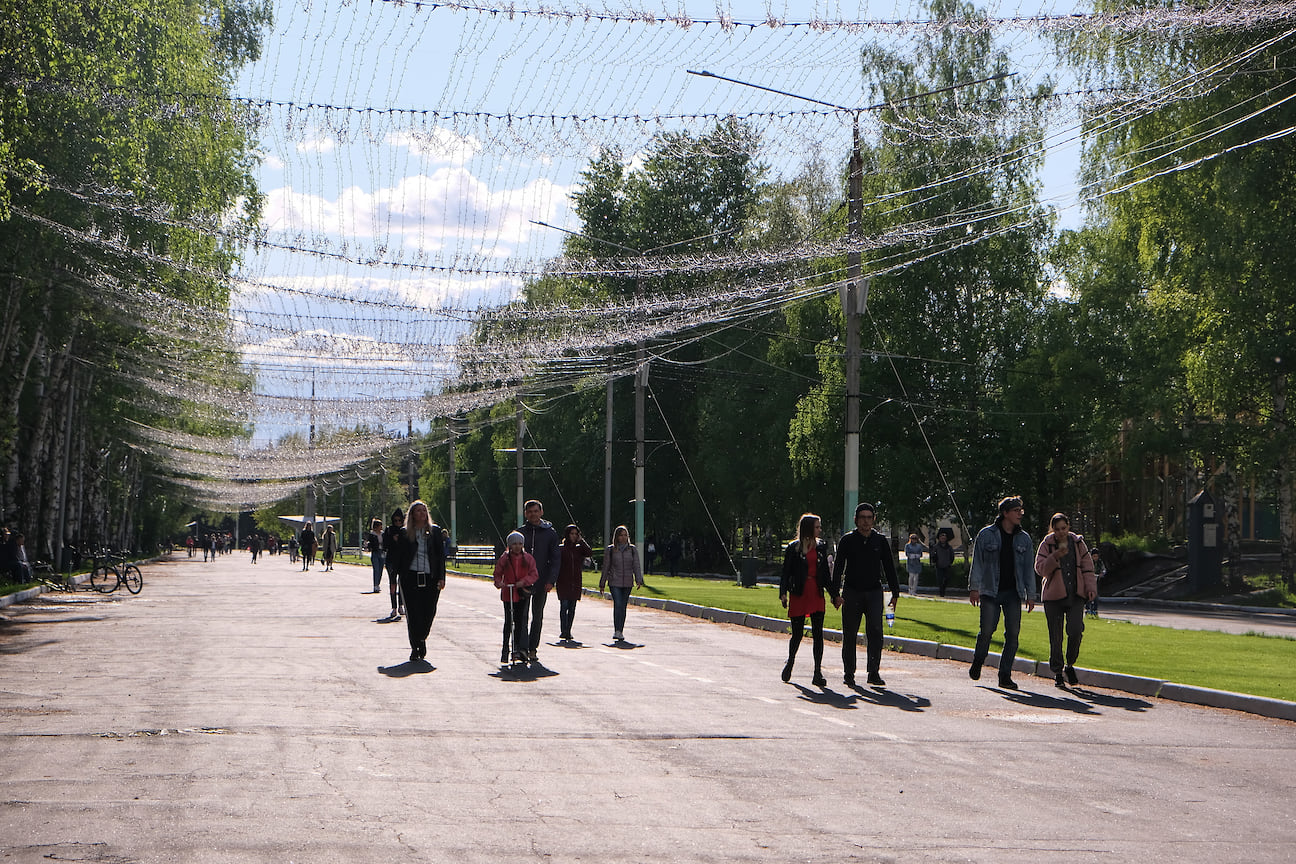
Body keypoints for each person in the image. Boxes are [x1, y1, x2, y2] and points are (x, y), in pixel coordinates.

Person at [968, 496, 1037, 690]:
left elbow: (1027, 569)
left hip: (1013, 593)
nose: (1020, 514)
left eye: (1021, 511)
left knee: (1013, 634)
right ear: (1005, 513)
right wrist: (974, 588)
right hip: (990, 591)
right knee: (987, 631)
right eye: (1016, 511)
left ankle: (1004, 675)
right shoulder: (986, 535)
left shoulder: (1024, 538)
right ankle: (978, 660)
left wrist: (1031, 594)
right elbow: (978, 563)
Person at [831, 503, 899, 687]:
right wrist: (834, 594)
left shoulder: (880, 540)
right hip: (851, 592)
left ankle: (873, 672)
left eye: (869, 518)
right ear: (856, 520)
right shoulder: (847, 540)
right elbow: (838, 568)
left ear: (873, 520)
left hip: (874, 592)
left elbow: (889, 567)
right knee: (850, 633)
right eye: (862, 518)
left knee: (876, 632)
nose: (866, 522)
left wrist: (895, 592)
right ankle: (849, 673)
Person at [1035, 513, 1098, 688]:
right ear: (1052, 529)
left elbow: (1088, 567)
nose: (1061, 532)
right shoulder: (1047, 544)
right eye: (1057, 529)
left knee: (1076, 630)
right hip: (1053, 597)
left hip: (1076, 595)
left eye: (1064, 528)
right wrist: (1055, 556)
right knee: (1056, 636)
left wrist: (1091, 588)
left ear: (1068, 526)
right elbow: (1040, 569)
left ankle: (1070, 664)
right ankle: (1057, 672)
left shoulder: (1078, 543)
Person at [779, 513, 839, 687]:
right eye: (817, 527)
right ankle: (790, 662)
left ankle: (817, 672)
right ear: (808, 528)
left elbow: (826, 575)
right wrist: (783, 593)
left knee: (818, 633)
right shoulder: (794, 548)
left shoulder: (821, 546)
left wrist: (834, 595)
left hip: (816, 592)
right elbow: (786, 572)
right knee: (797, 633)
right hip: (799, 592)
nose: (820, 530)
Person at [389, 500, 446, 662]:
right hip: (410, 577)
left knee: (428, 611)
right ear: (412, 514)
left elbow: (440, 556)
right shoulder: (405, 533)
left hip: (430, 577)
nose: (422, 513)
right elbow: (398, 558)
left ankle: (422, 637)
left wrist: (442, 577)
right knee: (413, 614)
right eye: (418, 511)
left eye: (424, 511)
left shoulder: (434, 531)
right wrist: (394, 579)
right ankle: (415, 647)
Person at [518, 499, 560, 662]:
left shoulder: (550, 533)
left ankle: (532, 648)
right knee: (521, 616)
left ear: (541, 512)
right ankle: (522, 647)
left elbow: (556, 559)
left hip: (542, 581)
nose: (533, 514)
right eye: (529, 512)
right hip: (523, 582)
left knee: (537, 616)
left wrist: (551, 580)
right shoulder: (520, 533)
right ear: (525, 514)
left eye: (536, 511)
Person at [493, 531, 539, 663]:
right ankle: (505, 649)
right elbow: (497, 573)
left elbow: (534, 574)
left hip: (521, 594)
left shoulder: (528, 558)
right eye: (514, 544)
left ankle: (517, 649)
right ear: (510, 545)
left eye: (520, 544)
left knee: (519, 622)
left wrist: (524, 582)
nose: (517, 546)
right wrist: (499, 583)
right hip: (508, 594)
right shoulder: (505, 558)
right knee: (508, 622)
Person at [599, 525, 643, 642]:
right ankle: (616, 630)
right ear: (617, 537)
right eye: (621, 535)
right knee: (618, 604)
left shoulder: (632, 550)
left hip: (628, 581)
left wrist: (639, 579)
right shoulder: (611, 550)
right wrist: (602, 582)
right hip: (615, 581)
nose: (623, 538)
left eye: (625, 535)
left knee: (623, 606)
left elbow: (636, 565)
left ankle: (620, 630)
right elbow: (606, 567)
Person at [556, 524, 592, 641]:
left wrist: (581, 541)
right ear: (567, 535)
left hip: (575, 581)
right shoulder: (561, 548)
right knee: (564, 606)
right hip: (563, 581)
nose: (574, 536)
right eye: (572, 534)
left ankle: (568, 630)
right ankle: (563, 630)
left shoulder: (579, 548)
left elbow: (589, 552)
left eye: (576, 534)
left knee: (572, 607)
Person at [381, 509, 405, 621]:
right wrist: (392, 540)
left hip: (403, 560)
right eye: (395, 520)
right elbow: (385, 545)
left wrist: (399, 540)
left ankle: (401, 605)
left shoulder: (405, 530)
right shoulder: (389, 530)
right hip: (391, 560)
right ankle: (394, 607)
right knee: (392, 583)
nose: (398, 522)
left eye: (400, 520)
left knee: (402, 583)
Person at [932, 532, 955, 597]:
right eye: (942, 538)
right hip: (939, 565)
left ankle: (943, 589)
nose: (943, 539)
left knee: (947, 578)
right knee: (940, 580)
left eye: (944, 538)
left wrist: (950, 562)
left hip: (947, 565)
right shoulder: (936, 547)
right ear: (939, 539)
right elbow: (933, 555)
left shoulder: (949, 547)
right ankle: (941, 592)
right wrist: (935, 562)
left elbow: (952, 556)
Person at [366, 518, 384, 593]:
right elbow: (369, 543)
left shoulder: (383, 534)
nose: (381, 527)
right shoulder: (372, 535)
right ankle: (375, 585)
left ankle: (378, 584)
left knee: (380, 569)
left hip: (382, 552)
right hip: (375, 553)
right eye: (380, 525)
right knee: (376, 569)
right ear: (376, 526)